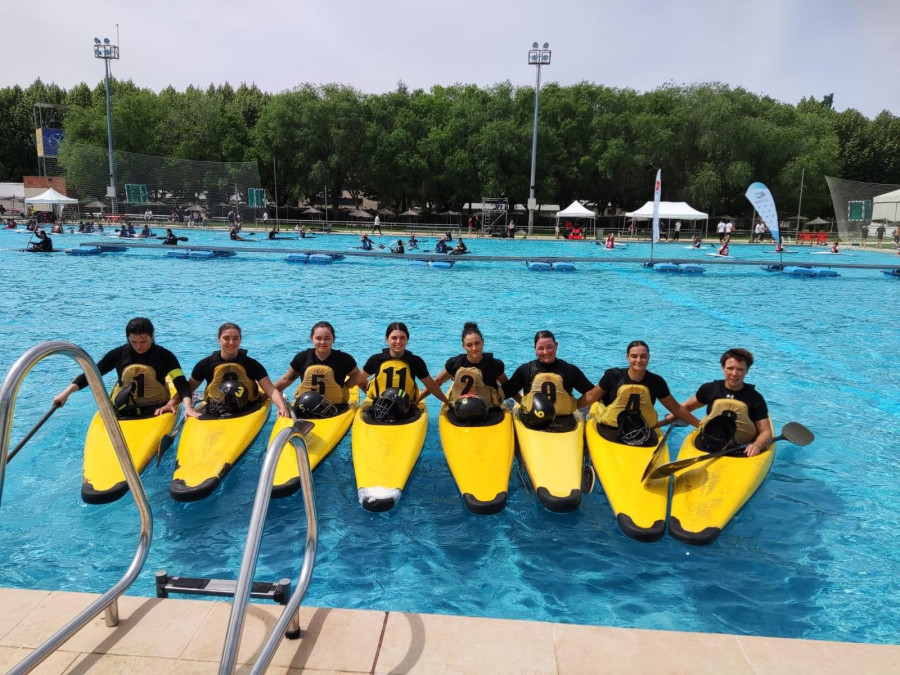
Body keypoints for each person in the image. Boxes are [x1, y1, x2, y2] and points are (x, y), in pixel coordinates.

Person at [53, 317, 191, 418]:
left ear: (152, 336)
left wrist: (185, 406)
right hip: (122, 409)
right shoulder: (118, 354)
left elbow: (181, 382)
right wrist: (66, 393)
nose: (139, 346)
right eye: (134, 341)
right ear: (128, 338)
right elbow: (92, 374)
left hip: (157, 409)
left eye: (144, 341)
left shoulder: (165, 356)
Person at [661, 348, 772, 457]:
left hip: (740, 447)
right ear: (723, 368)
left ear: (747, 370)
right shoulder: (710, 389)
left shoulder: (755, 398)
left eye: (740, 369)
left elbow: (766, 432)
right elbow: (684, 408)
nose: (734, 373)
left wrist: (757, 445)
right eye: (730, 368)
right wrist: (664, 422)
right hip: (709, 441)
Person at [593, 341, 700, 443]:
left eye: (643, 356)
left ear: (648, 358)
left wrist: (701, 426)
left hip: (641, 430)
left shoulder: (657, 382)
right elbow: (590, 396)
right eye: (634, 356)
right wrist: (576, 407)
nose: (639, 360)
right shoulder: (613, 376)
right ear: (627, 358)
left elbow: (676, 409)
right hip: (610, 427)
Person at [182, 322, 289, 419]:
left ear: (240, 339)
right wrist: (188, 407)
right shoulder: (205, 364)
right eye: (226, 338)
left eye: (235, 338)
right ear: (219, 339)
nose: (231, 342)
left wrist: (282, 407)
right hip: (215, 409)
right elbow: (187, 389)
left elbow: (271, 390)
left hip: (248, 408)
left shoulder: (252, 364)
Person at [503, 330, 602, 426]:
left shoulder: (569, 370)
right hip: (532, 418)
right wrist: (523, 403)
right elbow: (508, 391)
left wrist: (575, 405)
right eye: (540, 348)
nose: (545, 352)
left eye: (549, 347)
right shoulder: (526, 370)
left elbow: (591, 393)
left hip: (565, 419)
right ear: (535, 349)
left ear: (556, 345)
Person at [357, 322, 449, 419]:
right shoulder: (376, 360)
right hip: (379, 408)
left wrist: (447, 403)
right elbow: (357, 379)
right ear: (386, 339)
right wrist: (370, 392)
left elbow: (431, 386)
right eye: (394, 338)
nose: (398, 341)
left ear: (407, 339)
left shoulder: (415, 361)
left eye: (402, 338)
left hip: (405, 411)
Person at [273, 321, 363, 417]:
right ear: (311, 339)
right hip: (305, 407)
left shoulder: (344, 359)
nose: (323, 342)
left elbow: (359, 377)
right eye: (318, 338)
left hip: (335, 408)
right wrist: (266, 394)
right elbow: (286, 379)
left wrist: (349, 385)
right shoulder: (302, 358)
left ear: (334, 339)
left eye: (327, 338)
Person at [425, 322, 507, 413]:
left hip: (489, 410)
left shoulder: (495, 364)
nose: (474, 348)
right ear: (463, 346)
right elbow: (436, 382)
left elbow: (507, 386)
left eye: (477, 343)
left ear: (483, 342)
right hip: (460, 411)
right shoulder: (454, 363)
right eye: (469, 345)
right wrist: (417, 401)